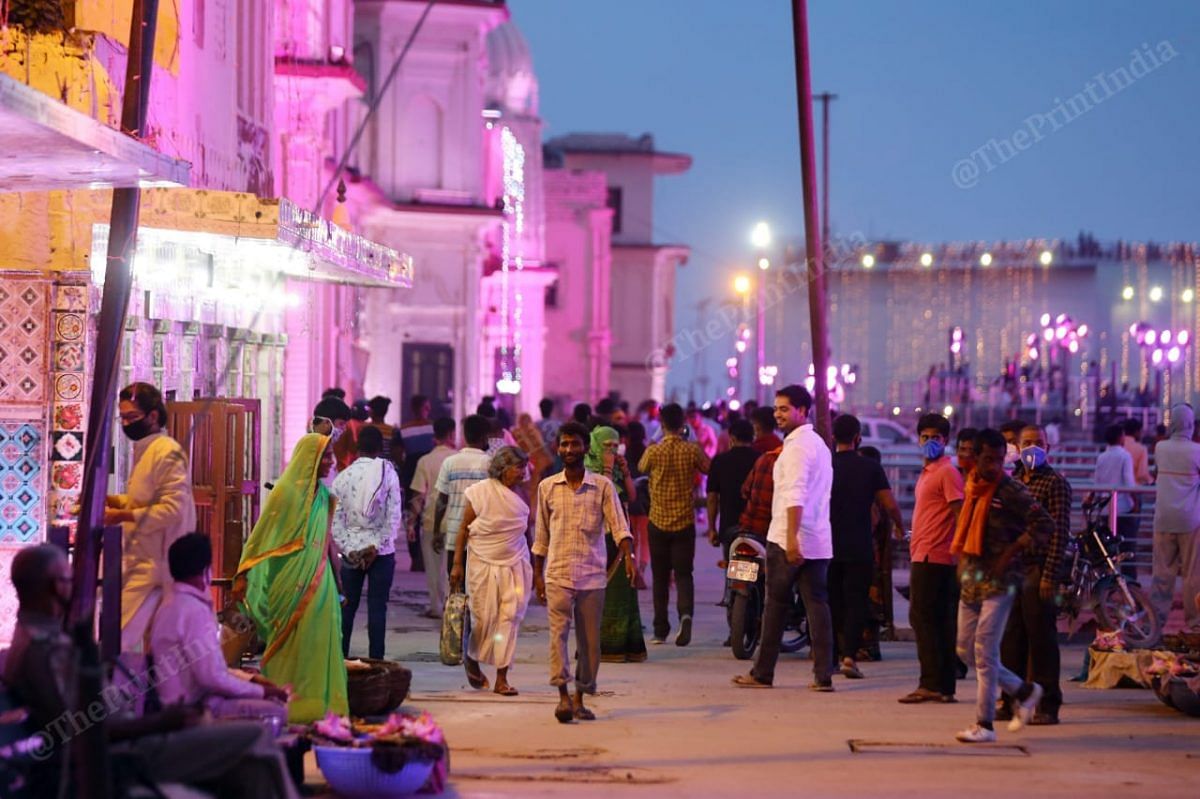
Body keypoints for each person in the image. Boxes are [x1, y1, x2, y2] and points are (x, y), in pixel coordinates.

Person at [5, 545, 299, 798]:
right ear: (57, 586)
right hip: (130, 752)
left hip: (137, 736)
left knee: (251, 766)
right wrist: (163, 722)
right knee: (255, 736)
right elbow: (83, 731)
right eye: (69, 579)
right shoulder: (45, 648)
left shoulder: (36, 638)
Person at [235, 434, 348, 723]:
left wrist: (338, 582)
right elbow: (261, 538)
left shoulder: (325, 496)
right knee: (287, 643)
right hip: (286, 583)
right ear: (309, 459)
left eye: (331, 455)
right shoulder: (285, 494)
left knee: (319, 639)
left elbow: (325, 543)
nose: (331, 461)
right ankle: (285, 701)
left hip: (319, 583)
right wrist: (243, 573)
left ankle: (319, 705)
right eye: (326, 456)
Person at [952, 429, 1053, 743]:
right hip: (972, 578)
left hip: (1001, 580)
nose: (995, 465)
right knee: (965, 650)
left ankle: (985, 724)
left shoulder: (1010, 489)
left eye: (999, 459)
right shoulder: (971, 484)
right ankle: (1025, 691)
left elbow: (1044, 524)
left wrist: (1012, 551)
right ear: (976, 458)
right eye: (988, 459)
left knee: (984, 653)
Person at [733, 385, 835, 691]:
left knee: (775, 606)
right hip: (818, 539)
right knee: (817, 604)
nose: (778, 414)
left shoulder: (795, 449)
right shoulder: (819, 445)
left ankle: (762, 673)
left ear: (802, 411)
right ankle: (823, 675)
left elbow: (794, 496)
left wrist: (791, 540)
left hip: (789, 538)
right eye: (776, 409)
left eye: (784, 409)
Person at [533, 422, 636, 722]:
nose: (569, 450)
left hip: (592, 575)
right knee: (558, 638)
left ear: (585, 447)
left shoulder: (602, 487)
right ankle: (562, 697)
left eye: (574, 444)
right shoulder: (547, 487)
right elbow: (540, 537)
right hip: (557, 574)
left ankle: (580, 696)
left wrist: (628, 556)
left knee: (590, 643)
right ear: (558, 448)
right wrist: (537, 574)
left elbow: (619, 525)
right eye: (564, 444)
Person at [150, 533, 289, 722]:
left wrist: (249, 680)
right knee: (276, 710)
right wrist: (261, 691)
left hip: (182, 704)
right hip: (192, 710)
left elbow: (207, 669)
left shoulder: (171, 604)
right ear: (206, 571)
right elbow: (211, 678)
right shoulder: (193, 610)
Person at [105, 381, 197, 653]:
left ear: (153, 416)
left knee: (119, 637)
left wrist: (122, 514)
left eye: (131, 417)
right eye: (122, 419)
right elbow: (145, 500)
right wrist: (114, 501)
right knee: (143, 640)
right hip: (142, 558)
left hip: (159, 562)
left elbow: (172, 509)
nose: (126, 425)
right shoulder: (146, 449)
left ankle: (103, 688)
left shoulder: (166, 451)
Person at [999, 424, 1071, 725]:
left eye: (1038, 443)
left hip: (1039, 567)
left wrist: (1049, 575)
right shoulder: (1014, 480)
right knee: (1011, 637)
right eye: (1026, 443)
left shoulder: (1055, 484)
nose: (1032, 448)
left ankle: (1048, 703)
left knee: (1041, 638)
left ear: (1048, 447)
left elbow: (1059, 533)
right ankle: (1011, 699)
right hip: (1015, 570)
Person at [449, 447, 533, 696]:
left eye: (524, 467)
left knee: (510, 617)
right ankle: (472, 657)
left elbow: (526, 531)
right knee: (484, 618)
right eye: (519, 467)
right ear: (504, 468)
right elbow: (463, 529)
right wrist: (456, 565)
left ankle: (502, 677)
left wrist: (537, 567)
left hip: (515, 562)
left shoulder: (522, 494)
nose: (522, 473)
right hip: (482, 563)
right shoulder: (480, 492)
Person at [829, 414, 904, 680]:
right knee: (856, 601)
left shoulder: (825, 465)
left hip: (828, 545)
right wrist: (899, 526)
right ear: (858, 437)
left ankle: (834, 656)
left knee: (833, 601)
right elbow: (890, 504)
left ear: (833, 436)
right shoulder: (870, 467)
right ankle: (850, 656)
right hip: (859, 544)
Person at [900, 413, 965, 704]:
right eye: (924, 437)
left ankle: (931, 683)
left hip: (935, 555)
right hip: (923, 551)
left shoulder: (947, 472)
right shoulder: (929, 472)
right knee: (935, 620)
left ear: (946, 440)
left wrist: (961, 554)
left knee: (925, 618)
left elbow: (959, 514)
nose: (929, 442)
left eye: (935, 438)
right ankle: (942, 685)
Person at [638, 402, 711, 646]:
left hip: (658, 521)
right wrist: (692, 440)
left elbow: (640, 467)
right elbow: (708, 467)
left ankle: (660, 630)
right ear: (683, 424)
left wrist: (654, 441)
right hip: (683, 521)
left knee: (660, 577)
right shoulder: (691, 450)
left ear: (662, 424)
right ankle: (686, 615)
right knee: (683, 574)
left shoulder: (654, 451)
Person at [331, 426, 403, 660]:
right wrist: (377, 547)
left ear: (357, 447)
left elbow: (335, 523)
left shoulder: (342, 478)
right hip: (381, 554)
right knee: (377, 608)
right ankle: (376, 662)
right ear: (379, 448)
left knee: (347, 608)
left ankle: (340, 661)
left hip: (351, 554)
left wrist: (350, 550)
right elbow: (394, 517)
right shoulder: (388, 473)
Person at [583, 426, 646, 663]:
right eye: (606, 445)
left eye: (614, 445)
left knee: (623, 591)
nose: (611, 449)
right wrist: (608, 468)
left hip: (621, 534)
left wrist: (625, 472)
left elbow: (630, 496)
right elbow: (603, 496)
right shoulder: (588, 469)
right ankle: (603, 645)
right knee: (601, 592)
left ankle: (625, 645)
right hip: (599, 536)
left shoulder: (617, 469)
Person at [1151, 404, 1200, 633]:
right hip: (1191, 520)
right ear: (1190, 424)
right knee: (1192, 575)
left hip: (1163, 518)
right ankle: (1194, 623)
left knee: (1162, 574)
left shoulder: (1160, 448)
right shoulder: (1196, 451)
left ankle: (1155, 623)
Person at [408, 417, 457, 617]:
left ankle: (437, 607)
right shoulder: (458, 459)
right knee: (453, 565)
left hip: (431, 521)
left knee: (433, 566)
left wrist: (411, 523)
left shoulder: (425, 461)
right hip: (456, 520)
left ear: (434, 435)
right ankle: (452, 603)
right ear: (452, 434)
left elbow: (418, 495)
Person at [432, 415, 493, 577]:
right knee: (479, 592)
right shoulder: (491, 464)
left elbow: (441, 500)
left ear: (465, 436)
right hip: (482, 539)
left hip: (454, 537)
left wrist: (436, 531)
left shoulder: (450, 463)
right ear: (484, 436)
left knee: (457, 592)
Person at [706, 420, 760, 562]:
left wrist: (712, 528)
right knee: (752, 573)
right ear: (753, 437)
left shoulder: (719, 461)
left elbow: (712, 498)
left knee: (735, 572)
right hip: (756, 526)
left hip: (729, 527)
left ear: (732, 438)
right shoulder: (761, 459)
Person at [1093, 423, 1139, 577]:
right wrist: (1135, 502)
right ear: (1121, 438)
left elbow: (1097, 482)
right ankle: (1130, 583)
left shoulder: (1102, 456)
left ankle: (1107, 584)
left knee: (1107, 550)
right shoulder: (1125, 455)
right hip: (1123, 508)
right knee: (1128, 548)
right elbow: (1129, 483)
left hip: (1106, 509)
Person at [1123, 417, 1153, 485]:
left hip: (1115, 488)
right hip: (1134, 489)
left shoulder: (1118, 446)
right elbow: (1142, 474)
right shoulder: (1141, 449)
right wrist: (1152, 481)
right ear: (1136, 432)